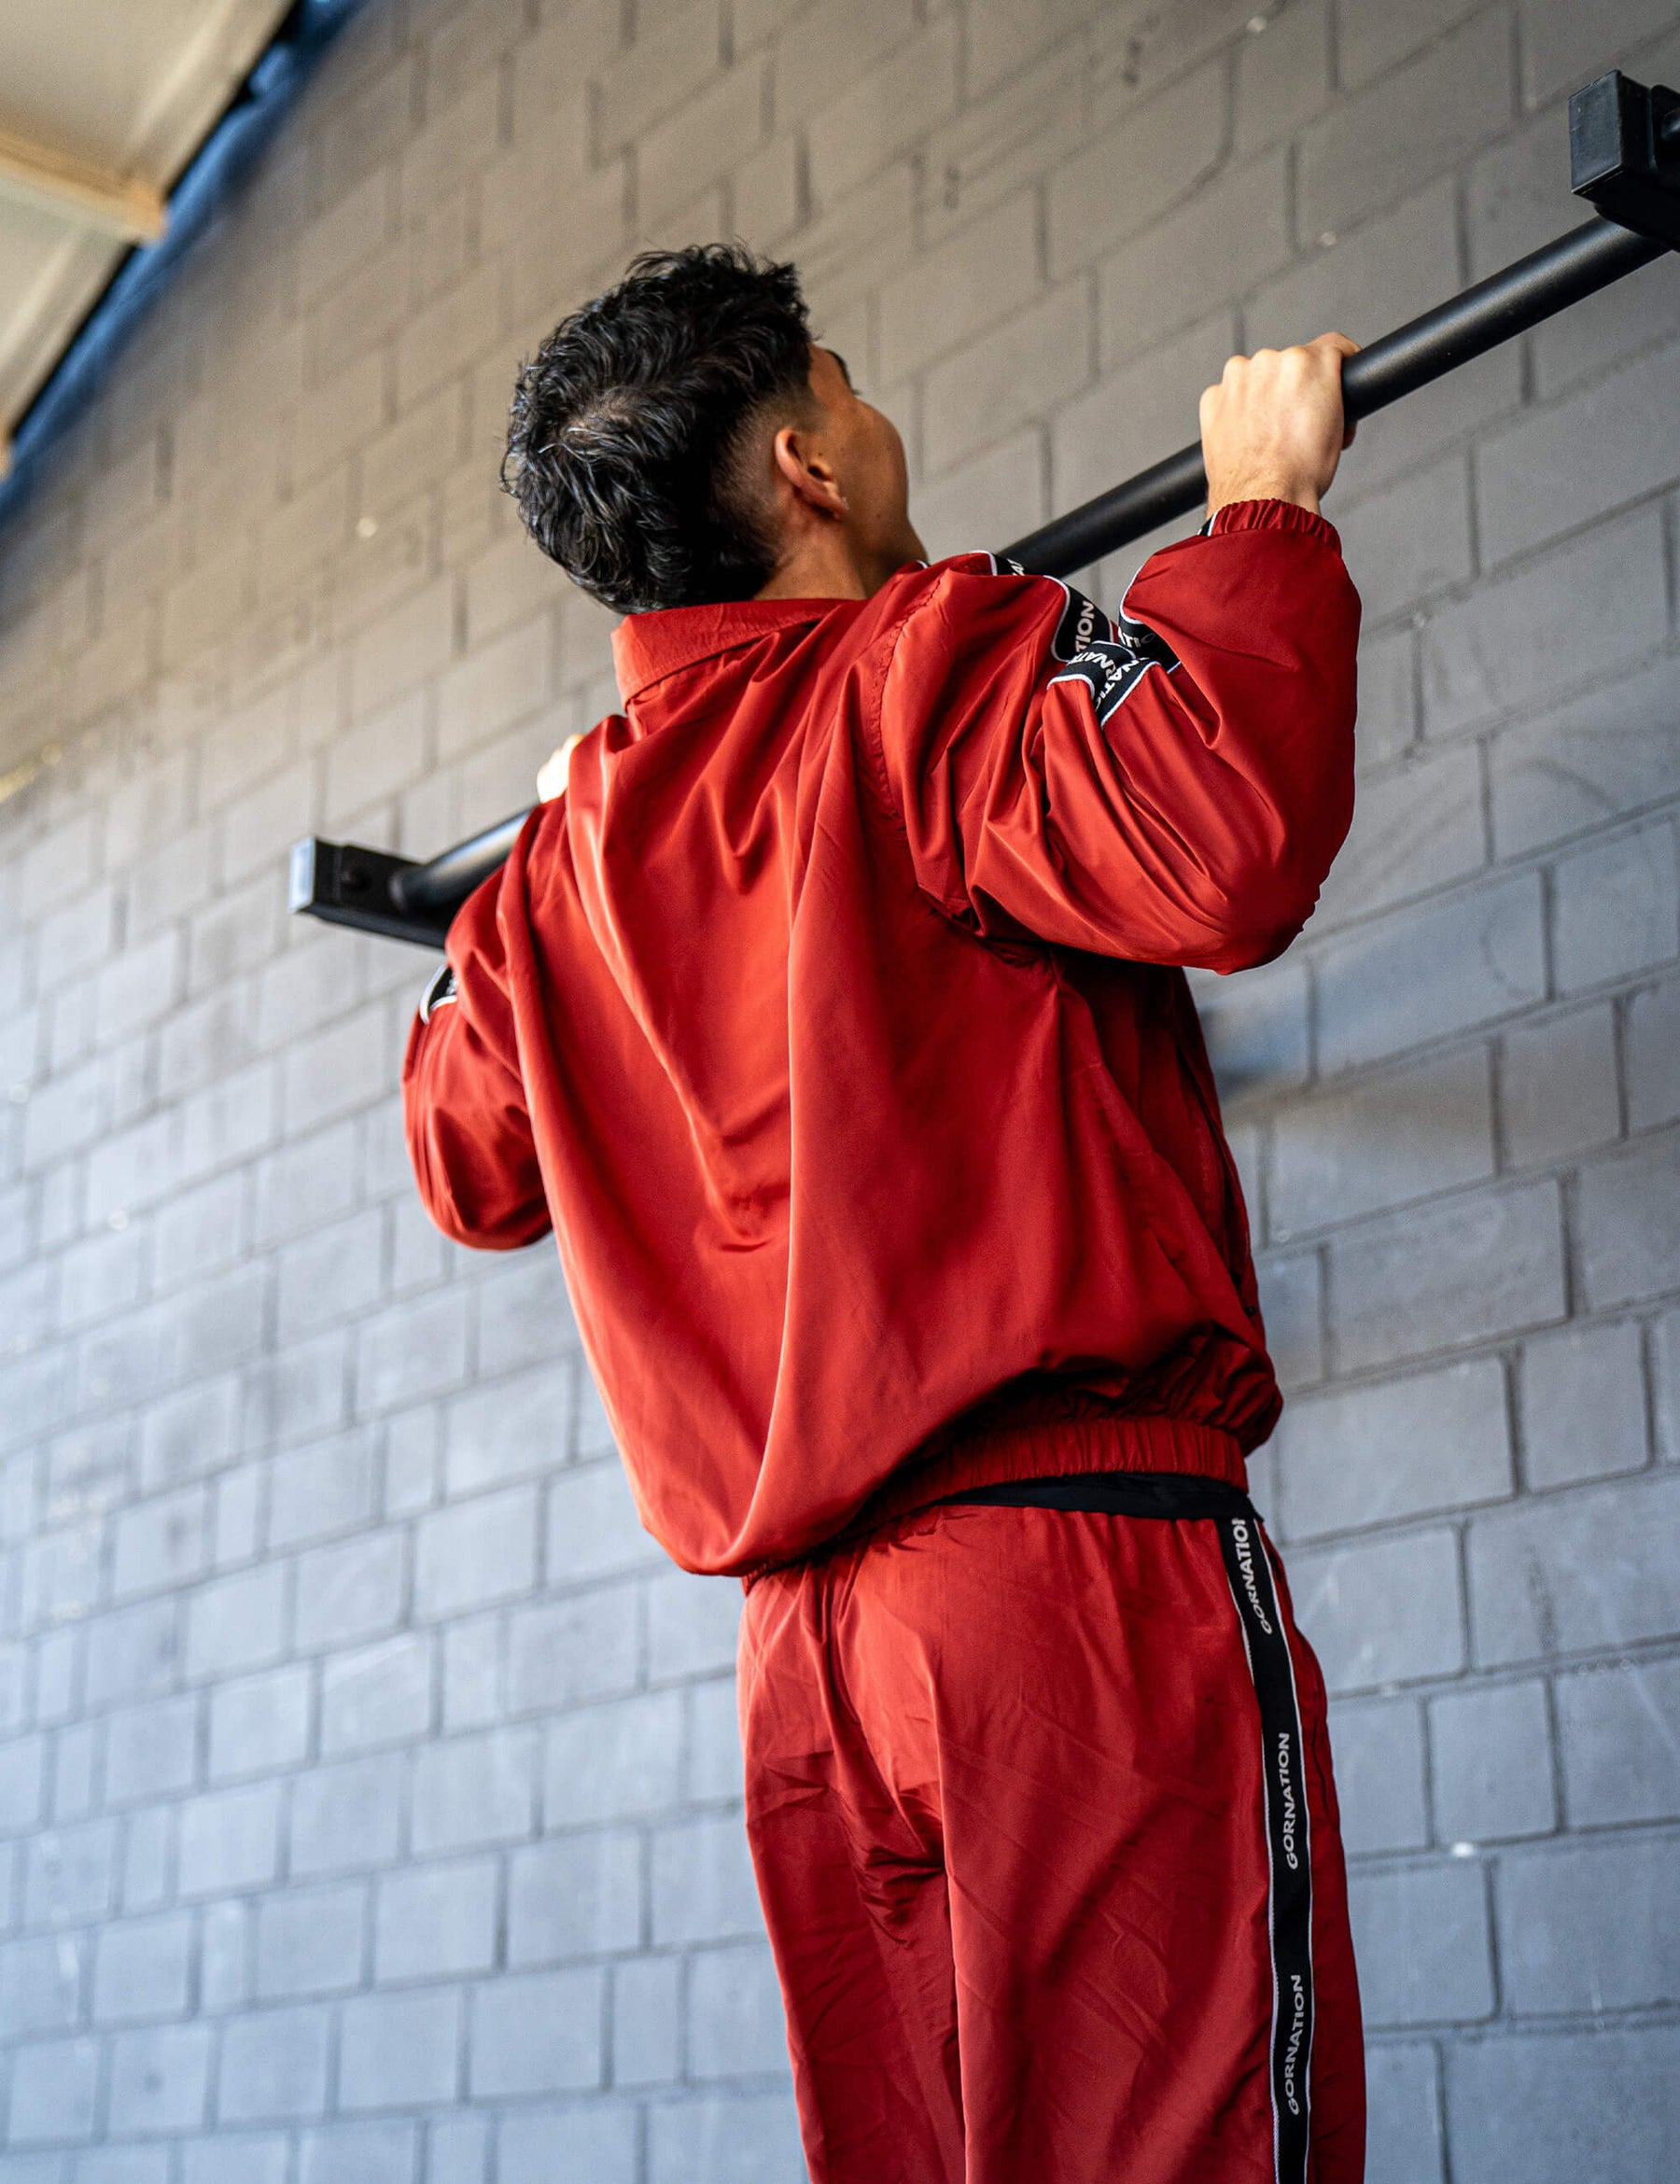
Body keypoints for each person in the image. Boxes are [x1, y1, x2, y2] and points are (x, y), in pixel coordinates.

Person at [403, 243, 1365, 2184]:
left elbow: (462, 1159)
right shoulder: (942, 658)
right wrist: (1259, 508)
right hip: (1059, 1592)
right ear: (808, 459)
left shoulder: (560, 858)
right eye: (844, 386)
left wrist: (537, 885)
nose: (868, 412)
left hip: (806, 1682)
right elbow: (1227, 836)